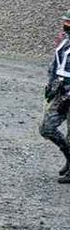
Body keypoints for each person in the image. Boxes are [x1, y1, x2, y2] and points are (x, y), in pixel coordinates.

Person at [39, 10, 70, 184]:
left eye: (69, 23)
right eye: (65, 22)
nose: (66, 25)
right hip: (60, 93)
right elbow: (55, 66)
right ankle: (68, 156)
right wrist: (50, 86)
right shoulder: (64, 42)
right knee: (46, 128)